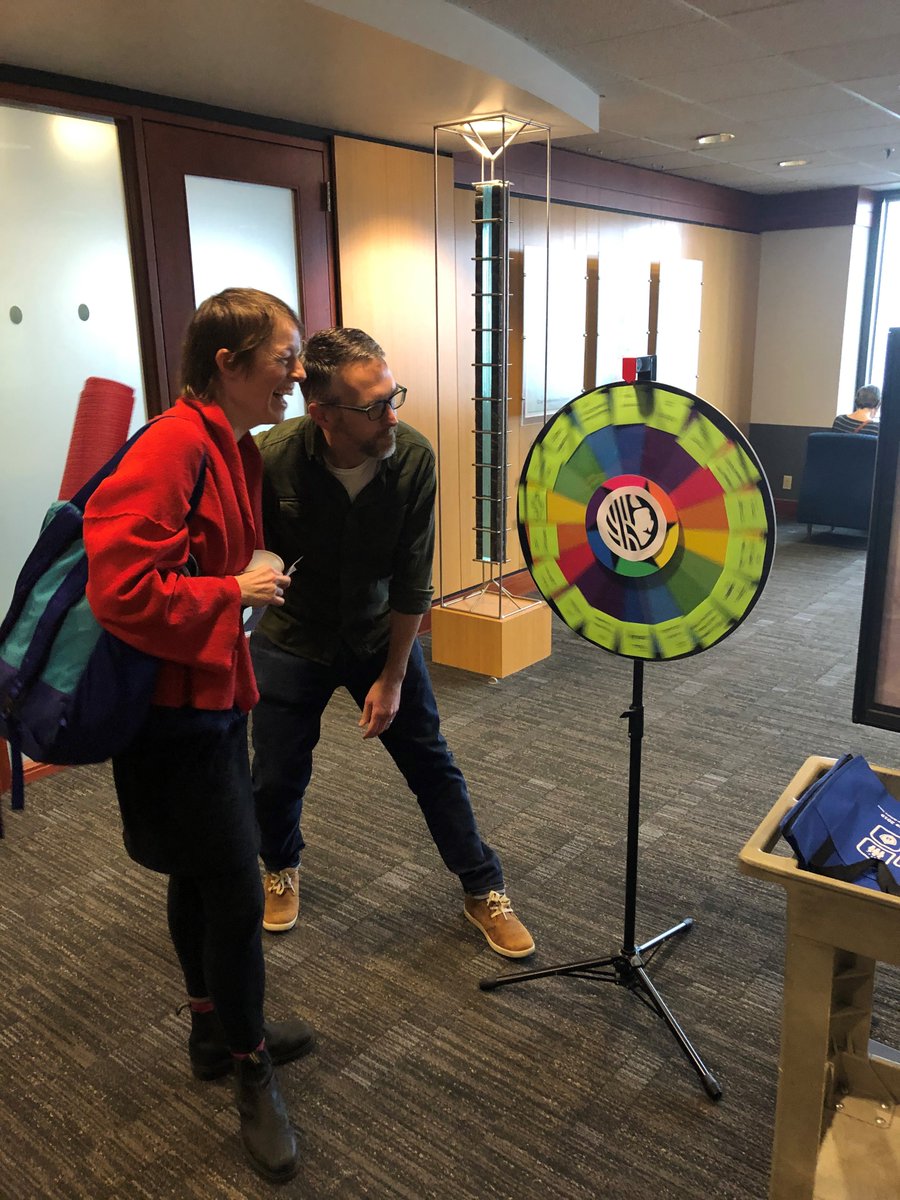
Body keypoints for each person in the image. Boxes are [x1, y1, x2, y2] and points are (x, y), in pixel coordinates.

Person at [83, 288, 312, 1184]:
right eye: (284, 355)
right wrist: (233, 593)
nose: (295, 372)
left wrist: (237, 575)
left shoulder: (232, 446)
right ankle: (251, 1068)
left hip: (209, 697)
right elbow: (121, 592)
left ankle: (210, 1032)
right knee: (232, 892)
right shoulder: (174, 444)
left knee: (198, 871)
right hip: (171, 716)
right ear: (228, 363)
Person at [250, 327, 535, 959]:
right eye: (374, 405)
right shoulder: (271, 456)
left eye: (391, 395)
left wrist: (394, 677)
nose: (391, 415)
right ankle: (279, 865)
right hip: (292, 635)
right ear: (321, 413)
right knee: (273, 774)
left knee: (431, 763)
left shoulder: (412, 457)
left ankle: (482, 887)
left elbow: (413, 580)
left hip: (380, 631)